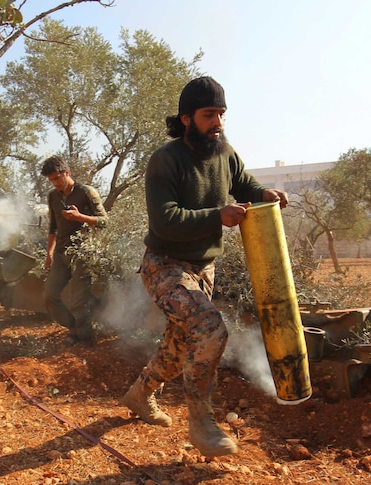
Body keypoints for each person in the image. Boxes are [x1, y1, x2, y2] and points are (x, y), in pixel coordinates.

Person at [120, 76, 288, 457]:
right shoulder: (166, 159)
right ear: (186, 119)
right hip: (164, 265)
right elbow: (165, 219)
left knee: (180, 347)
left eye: (222, 114)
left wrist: (264, 193)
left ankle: (139, 395)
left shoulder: (224, 153)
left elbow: (242, 183)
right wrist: (218, 215)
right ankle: (201, 419)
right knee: (209, 327)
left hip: (202, 268)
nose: (218, 123)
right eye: (209, 114)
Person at [41, 156, 109, 344]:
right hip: (62, 253)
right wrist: (49, 253)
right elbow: (53, 227)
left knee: (80, 300)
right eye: (51, 180)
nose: (54, 183)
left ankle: (86, 340)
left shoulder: (87, 192)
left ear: (67, 173)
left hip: (83, 252)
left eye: (56, 178)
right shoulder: (53, 196)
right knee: (49, 295)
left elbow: (104, 221)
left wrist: (80, 217)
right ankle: (73, 328)